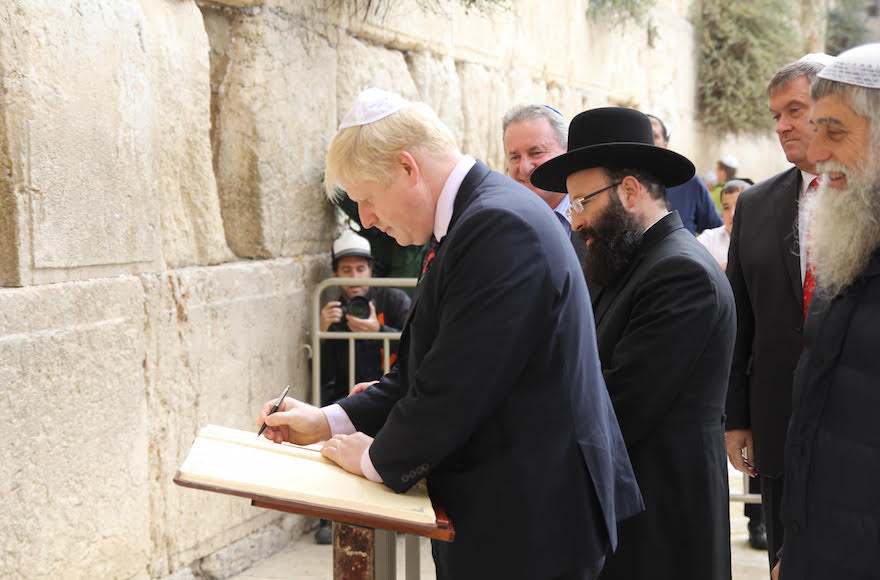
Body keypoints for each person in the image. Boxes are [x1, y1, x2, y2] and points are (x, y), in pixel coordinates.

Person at [258, 88, 643, 580]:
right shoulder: (471, 219)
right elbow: (424, 368)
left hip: (532, 521)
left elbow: (456, 386)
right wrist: (328, 421)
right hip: (509, 508)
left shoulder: (498, 226)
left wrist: (374, 458)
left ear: (406, 168)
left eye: (368, 200)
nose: (370, 220)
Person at [531, 107, 736, 580]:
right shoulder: (624, 260)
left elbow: (621, 403)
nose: (576, 221)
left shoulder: (680, 272)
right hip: (630, 507)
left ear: (628, 191)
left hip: (664, 517)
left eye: (582, 202)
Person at [770, 42, 880, 580]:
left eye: (834, 131)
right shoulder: (851, 248)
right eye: (814, 129)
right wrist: (796, 550)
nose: (815, 154)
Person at [724, 52, 832, 569]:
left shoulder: (868, 199)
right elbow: (740, 319)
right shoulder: (756, 205)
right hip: (777, 421)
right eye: (775, 115)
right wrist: (737, 417)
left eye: (794, 109)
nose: (782, 126)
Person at [315, 228, 411, 543]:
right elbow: (324, 371)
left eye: (360, 268)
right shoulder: (333, 309)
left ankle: (391, 512)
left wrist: (378, 329)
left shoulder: (392, 298)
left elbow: (416, 349)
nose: (354, 277)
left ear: (371, 270)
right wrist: (324, 333)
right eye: (346, 270)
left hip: (389, 392)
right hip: (346, 393)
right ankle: (331, 517)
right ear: (335, 274)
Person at [502, 103, 587, 266]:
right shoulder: (499, 222)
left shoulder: (594, 216)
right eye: (515, 157)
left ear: (567, 152)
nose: (525, 168)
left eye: (536, 153)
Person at [646, 114, 724, 234]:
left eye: (654, 135)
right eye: (644, 134)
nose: (648, 139)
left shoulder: (688, 182)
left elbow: (717, 231)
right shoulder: (615, 183)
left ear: (665, 145)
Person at [697, 180, 749, 270]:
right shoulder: (710, 238)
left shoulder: (763, 240)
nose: (732, 214)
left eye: (738, 206)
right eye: (726, 208)